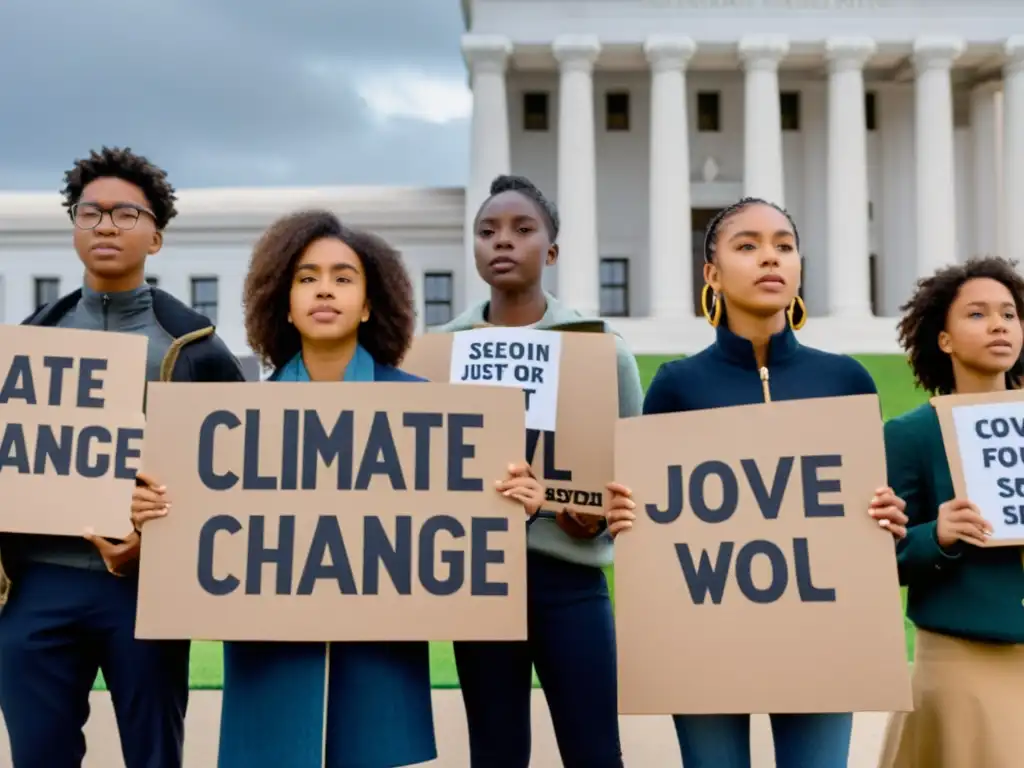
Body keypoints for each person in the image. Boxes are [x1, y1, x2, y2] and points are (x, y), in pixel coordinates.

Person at [130, 209, 547, 768]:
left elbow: (464, 540)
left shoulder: (429, 407)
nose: (324, 289)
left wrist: (514, 502)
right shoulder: (232, 415)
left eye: (343, 277)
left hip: (380, 663)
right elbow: (199, 540)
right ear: (284, 300)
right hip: (268, 665)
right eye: (307, 277)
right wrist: (155, 512)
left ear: (371, 303)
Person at [604, 197, 908, 768]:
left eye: (784, 246)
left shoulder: (846, 379)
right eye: (748, 246)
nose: (770, 258)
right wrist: (630, 517)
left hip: (821, 637)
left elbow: (866, 514)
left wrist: (886, 519)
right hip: (704, 640)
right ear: (712, 274)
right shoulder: (676, 386)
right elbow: (656, 521)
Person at [0, 147, 245, 768]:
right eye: (91, 212)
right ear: (74, 227)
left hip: (146, 587)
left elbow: (237, 473)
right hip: (38, 581)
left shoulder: (198, 349)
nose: (106, 225)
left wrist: (160, 539)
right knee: (37, 754)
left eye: (125, 213)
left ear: (155, 237)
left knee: (154, 753)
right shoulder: (27, 346)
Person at [433, 174, 644, 768]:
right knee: (496, 756)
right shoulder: (440, 354)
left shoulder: (603, 350)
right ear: (474, 249)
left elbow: (632, 481)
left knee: (596, 753)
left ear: (550, 251)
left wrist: (594, 519)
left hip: (570, 586)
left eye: (523, 230)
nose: (503, 242)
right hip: (477, 585)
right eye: (488, 231)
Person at [875, 256, 1024, 768]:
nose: (1000, 324)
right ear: (944, 340)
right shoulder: (911, 434)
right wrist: (936, 535)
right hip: (963, 662)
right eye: (978, 315)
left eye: (1010, 313)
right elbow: (876, 558)